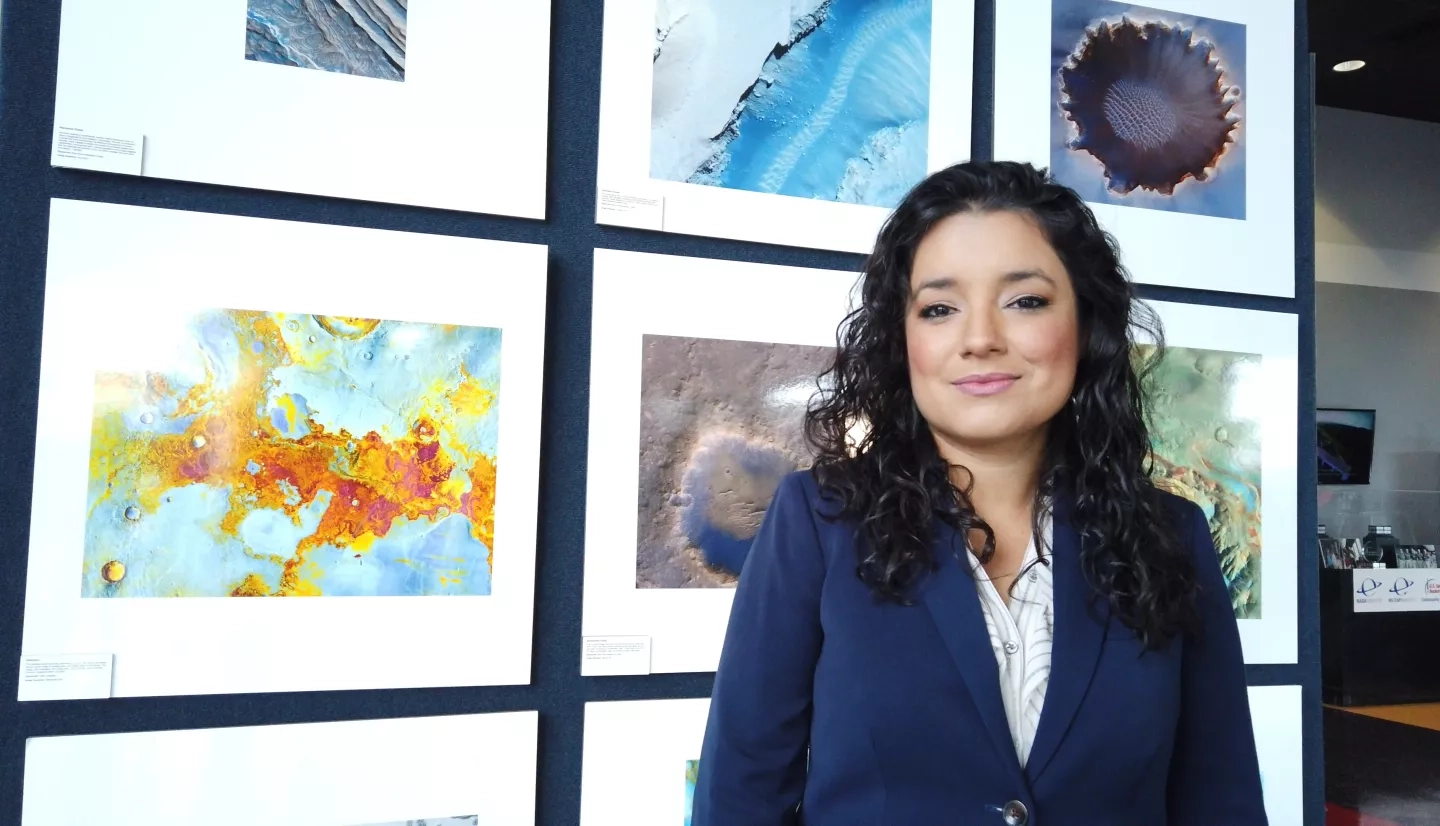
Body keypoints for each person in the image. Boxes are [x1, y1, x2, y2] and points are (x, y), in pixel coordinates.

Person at [691, 161, 1266, 825]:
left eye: (1025, 301)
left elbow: (1221, 799)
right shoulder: (819, 521)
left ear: (1085, 324)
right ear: (902, 339)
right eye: (939, 308)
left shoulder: (1173, 535)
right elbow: (740, 797)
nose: (981, 339)